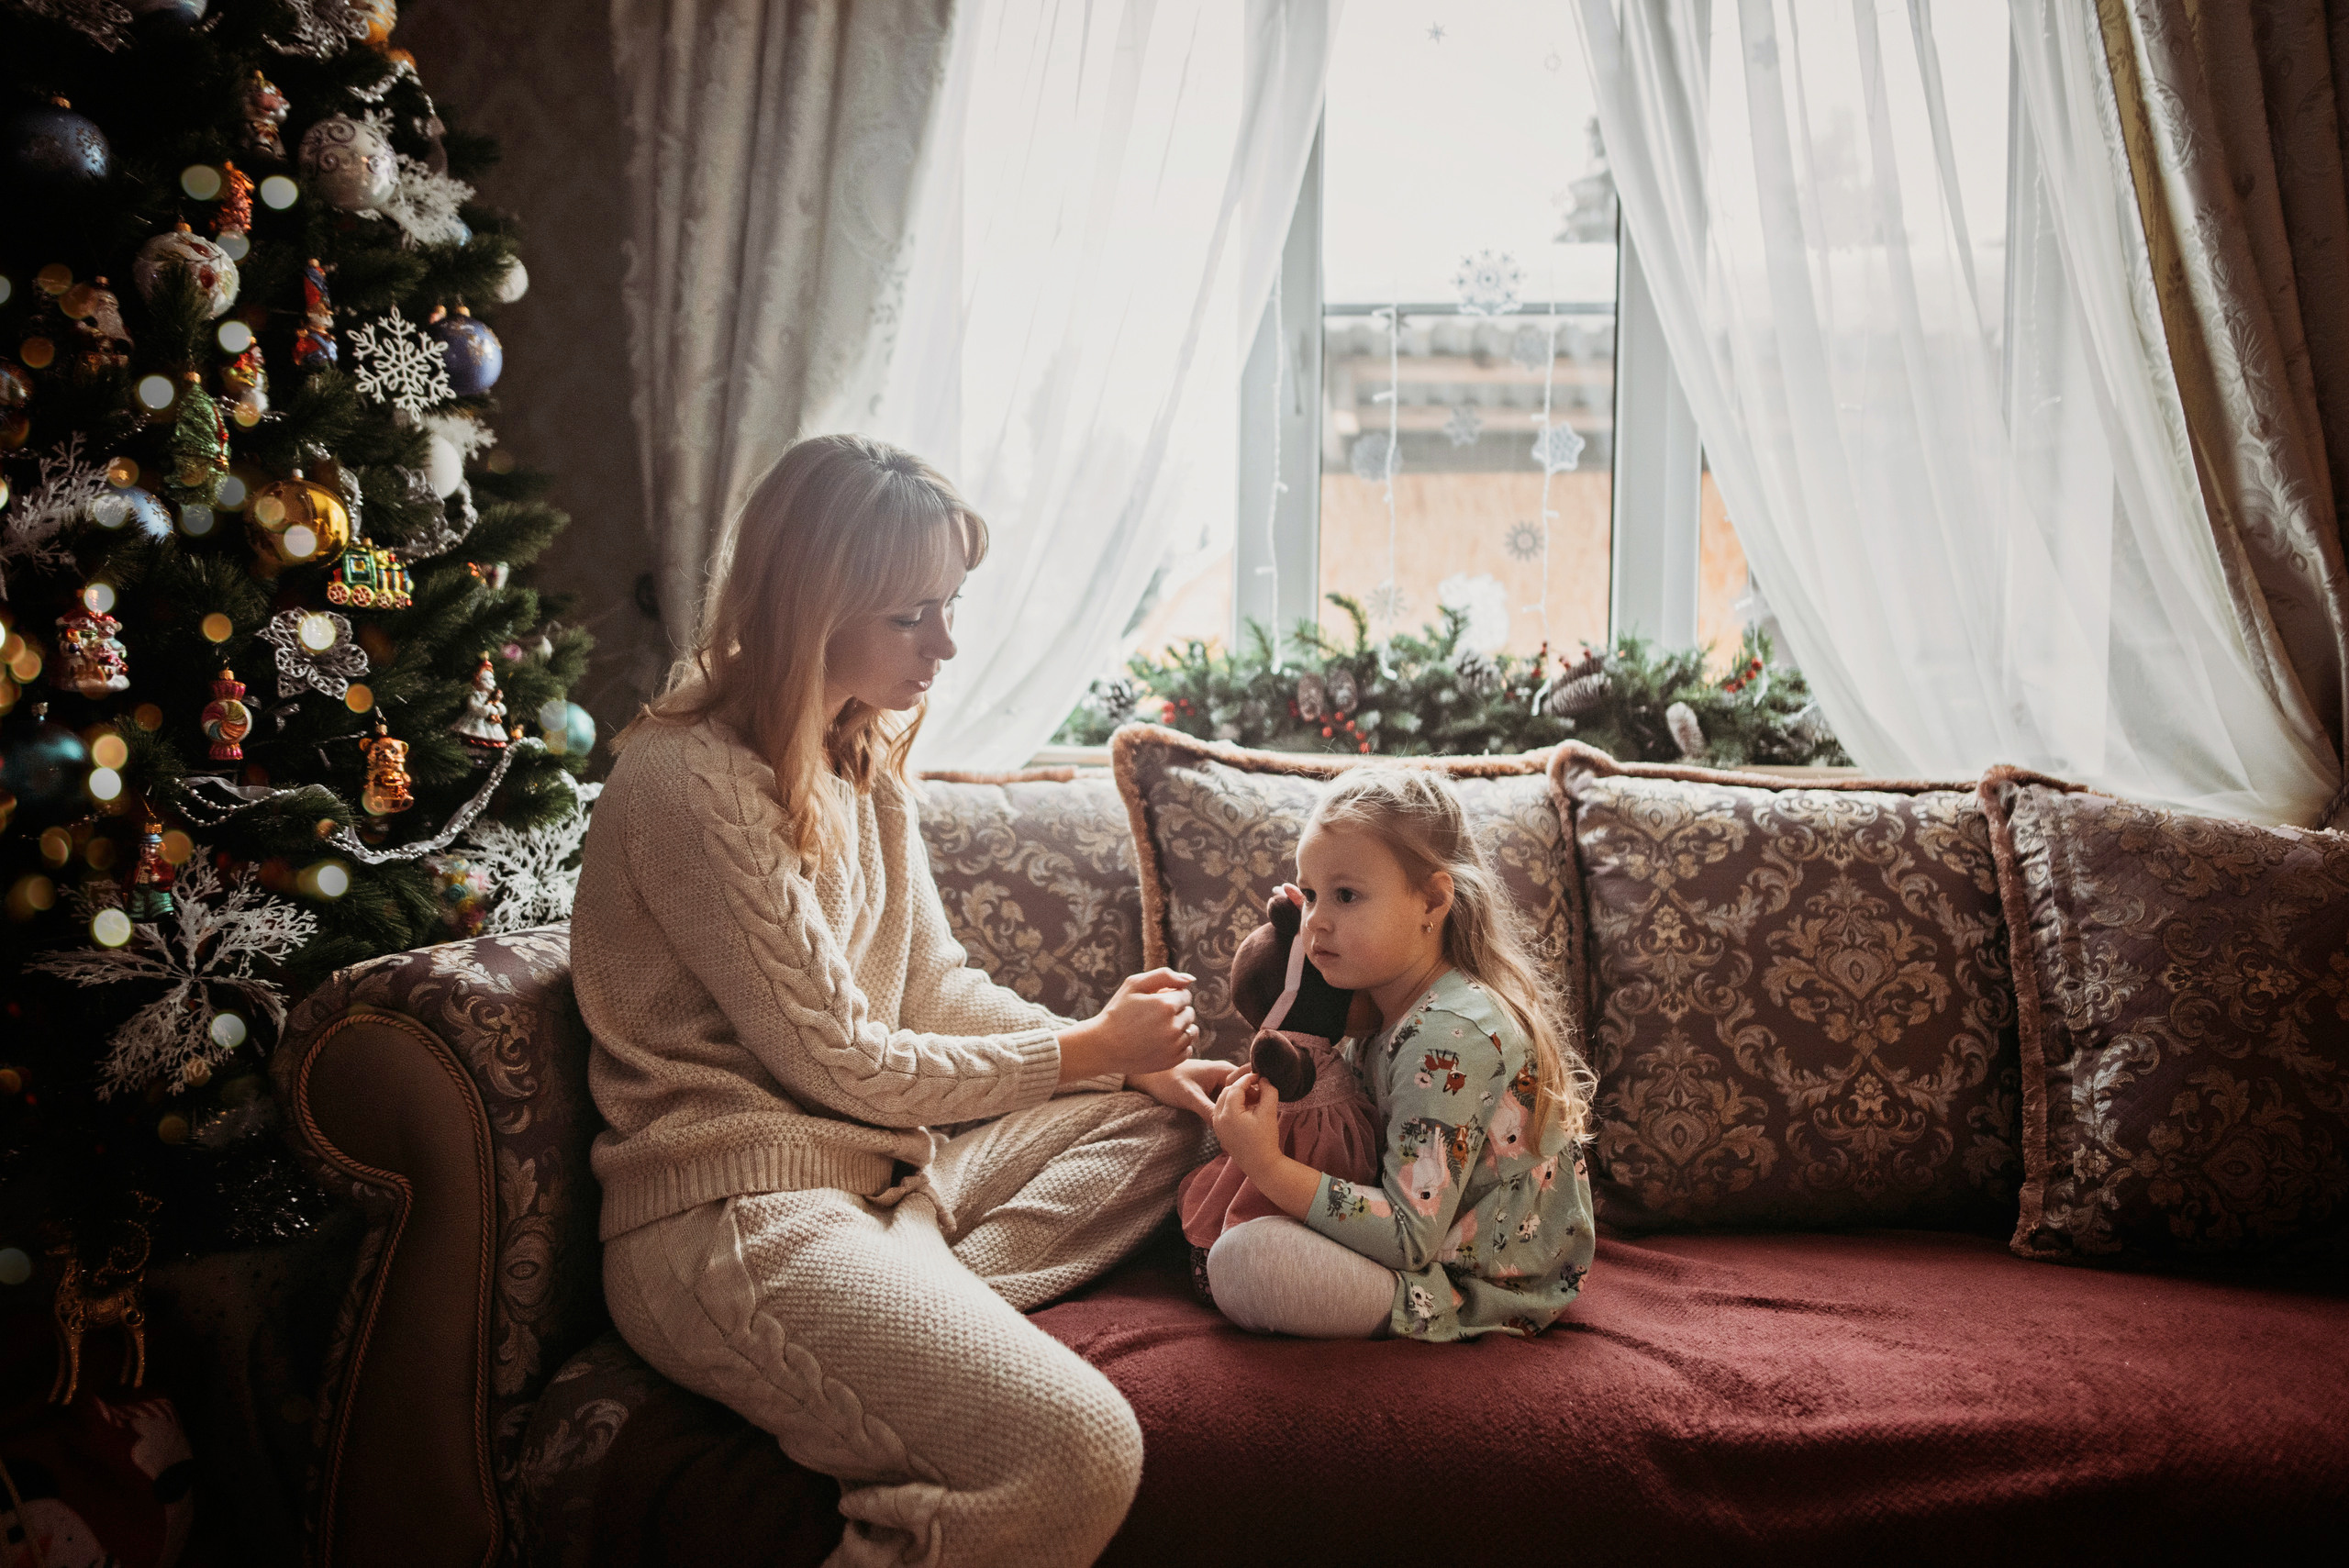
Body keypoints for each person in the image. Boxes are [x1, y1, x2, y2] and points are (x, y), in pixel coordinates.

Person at [572, 433, 1235, 1568]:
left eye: (950, 604)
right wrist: (1083, 1046)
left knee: (1169, 1115)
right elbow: (843, 1059)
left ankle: (910, 1299)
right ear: (812, 604)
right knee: (1077, 1451)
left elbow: (934, 983)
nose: (947, 643)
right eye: (909, 614)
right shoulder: (688, 780)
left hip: (878, 1178)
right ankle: (906, 1310)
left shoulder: (860, 759)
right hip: (735, 1212)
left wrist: (1124, 1062)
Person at [1203, 767, 1599, 1341]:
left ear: (1432, 901)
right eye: (1309, 895)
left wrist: (1267, 1165)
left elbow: (1409, 1237)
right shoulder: (1382, 1007)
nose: (1316, 921)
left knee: (1244, 1261)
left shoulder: (1449, 1036)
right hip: (1419, 1248)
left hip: (1469, 1286)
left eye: (1346, 895)